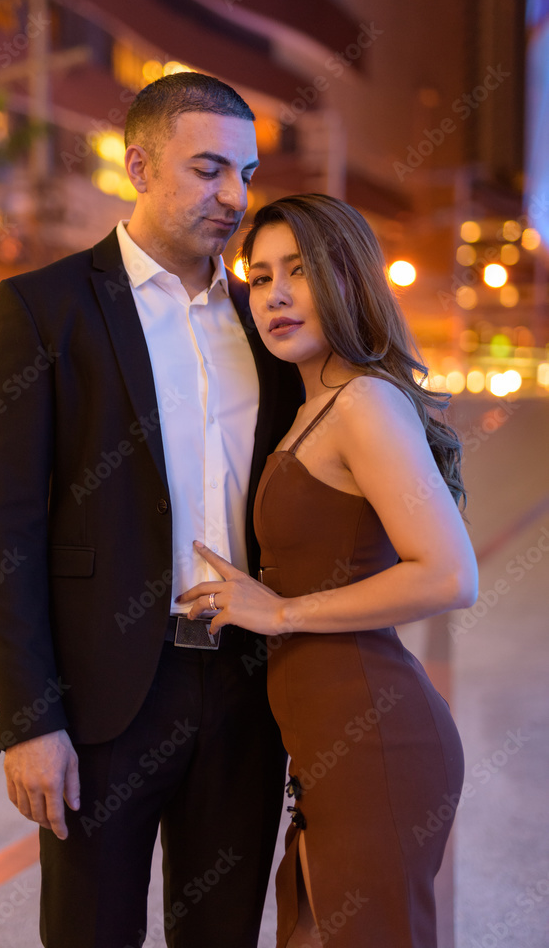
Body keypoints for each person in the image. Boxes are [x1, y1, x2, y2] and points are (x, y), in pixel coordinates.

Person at [0, 73, 302, 948]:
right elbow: (5, 527)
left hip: (244, 692)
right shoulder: (46, 308)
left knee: (221, 933)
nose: (234, 196)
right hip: (103, 700)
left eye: (245, 171)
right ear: (139, 165)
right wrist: (29, 721)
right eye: (207, 170)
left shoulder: (264, 322)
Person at [179, 193, 479, 948]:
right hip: (323, 752)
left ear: (349, 279)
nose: (274, 293)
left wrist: (279, 612)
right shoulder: (309, 406)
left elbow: (449, 576)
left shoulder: (365, 403)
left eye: (300, 271)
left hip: (376, 742)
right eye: (258, 275)